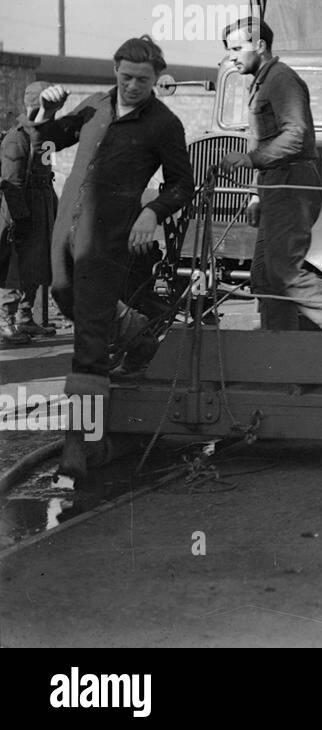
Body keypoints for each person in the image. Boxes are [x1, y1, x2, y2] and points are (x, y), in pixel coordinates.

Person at [34, 36, 195, 479]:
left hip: (108, 239)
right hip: (66, 229)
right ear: (114, 71)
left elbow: (183, 184)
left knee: (88, 340)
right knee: (65, 297)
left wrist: (151, 211)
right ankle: (135, 330)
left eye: (143, 80)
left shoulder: (164, 124)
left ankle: (80, 444)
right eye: (125, 77)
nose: (132, 86)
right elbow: (49, 138)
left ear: (157, 78)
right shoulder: (93, 106)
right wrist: (47, 112)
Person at [220, 19, 322, 335]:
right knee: (265, 275)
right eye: (229, 51)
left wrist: (248, 159)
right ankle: (279, 348)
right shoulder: (261, 82)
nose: (232, 57)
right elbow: (264, 138)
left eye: (238, 48)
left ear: (261, 45)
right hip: (274, 184)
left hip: (291, 184)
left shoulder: (281, 80)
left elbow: (296, 136)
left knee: (284, 272)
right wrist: (256, 194)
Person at [1, 82, 59, 344]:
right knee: (17, 267)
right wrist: (20, 218)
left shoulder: (45, 137)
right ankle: (6, 320)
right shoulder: (16, 138)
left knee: (37, 264)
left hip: (43, 206)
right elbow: (11, 184)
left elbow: (46, 172)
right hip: (22, 210)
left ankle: (25, 317)